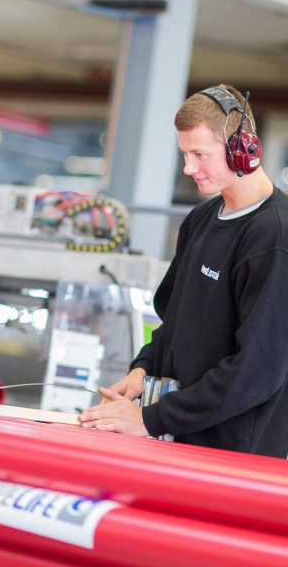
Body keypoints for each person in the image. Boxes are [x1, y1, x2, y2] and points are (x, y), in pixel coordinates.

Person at [78, 84, 288, 459]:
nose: (189, 168)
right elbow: (173, 322)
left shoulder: (273, 236)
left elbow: (256, 372)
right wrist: (143, 370)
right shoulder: (202, 219)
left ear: (245, 150)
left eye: (199, 154)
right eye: (184, 154)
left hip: (233, 457)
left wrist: (149, 419)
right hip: (180, 440)